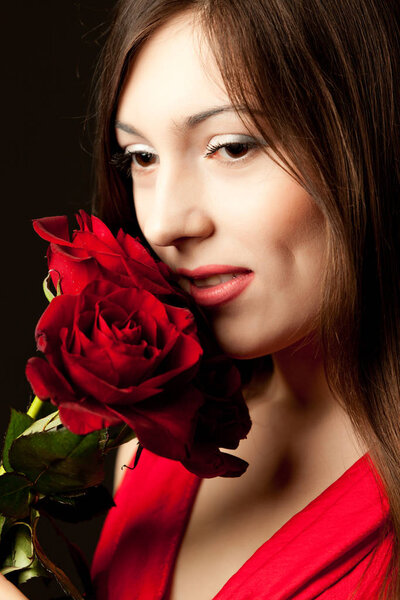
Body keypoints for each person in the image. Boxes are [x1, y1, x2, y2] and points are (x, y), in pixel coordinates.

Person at [1, 0, 399, 598]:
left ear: (364, 138)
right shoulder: (155, 433)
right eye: (141, 157)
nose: (164, 222)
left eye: (232, 147)